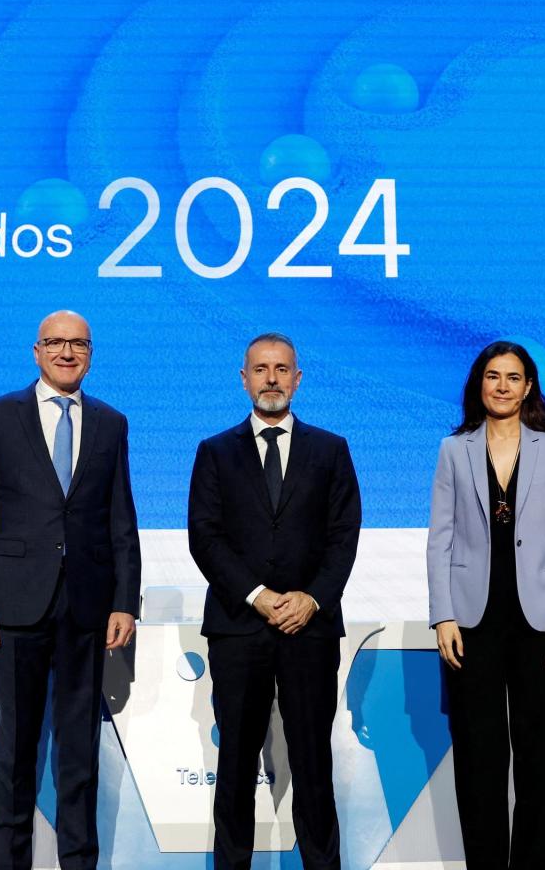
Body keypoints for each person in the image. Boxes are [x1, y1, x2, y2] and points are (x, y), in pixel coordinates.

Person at [0, 310, 141, 870]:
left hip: (86, 608)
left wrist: (124, 602)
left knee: (80, 755)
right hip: (14, 606)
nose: (67, 352)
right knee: (17, 751)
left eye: (78, 344)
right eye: (56, 343)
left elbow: (121, 521)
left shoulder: (111, 423)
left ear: (90, 353)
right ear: (36, 351)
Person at [188, 332, 361, 870]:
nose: (271, 379)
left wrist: (311, 599)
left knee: (312, 762)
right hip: (239, 629)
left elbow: (343, 535)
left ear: (298, 379)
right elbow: (205, 537)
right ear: (244, 378)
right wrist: (259, 596)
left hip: (309, 630)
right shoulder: (214, 452)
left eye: (281, 369)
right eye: (260, 369)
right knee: (236, 762)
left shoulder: (331, 450)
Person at [425, 340, 545, 870]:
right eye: (493, 376)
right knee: (479, 758)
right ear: (479, 384)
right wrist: (443, 613)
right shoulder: (453, 450)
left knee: (540, 759)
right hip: (472, 623)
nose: (502, 386)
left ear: (529, 387)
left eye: (513, 377)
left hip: (539, 622)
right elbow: (439, 540)